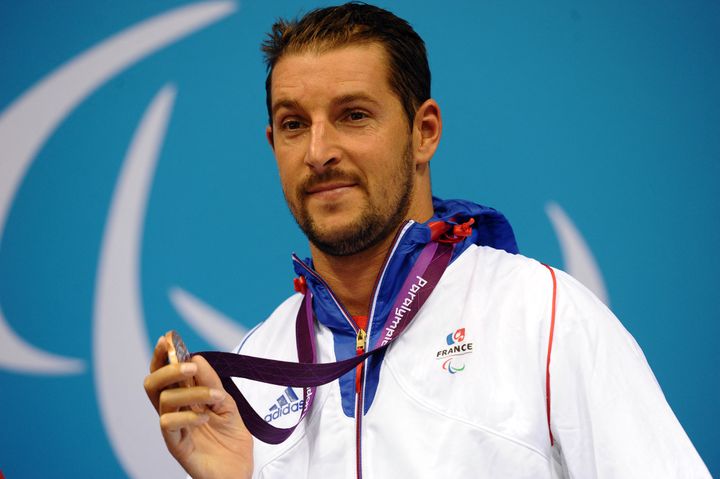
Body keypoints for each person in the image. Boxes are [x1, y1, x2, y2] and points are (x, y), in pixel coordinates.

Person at [143, 3, 711, 478]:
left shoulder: (543, 317)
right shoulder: (255, 365)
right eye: (294, 124)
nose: (318, 152)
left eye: (354, 115)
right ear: (273, 143)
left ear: (424, 132)